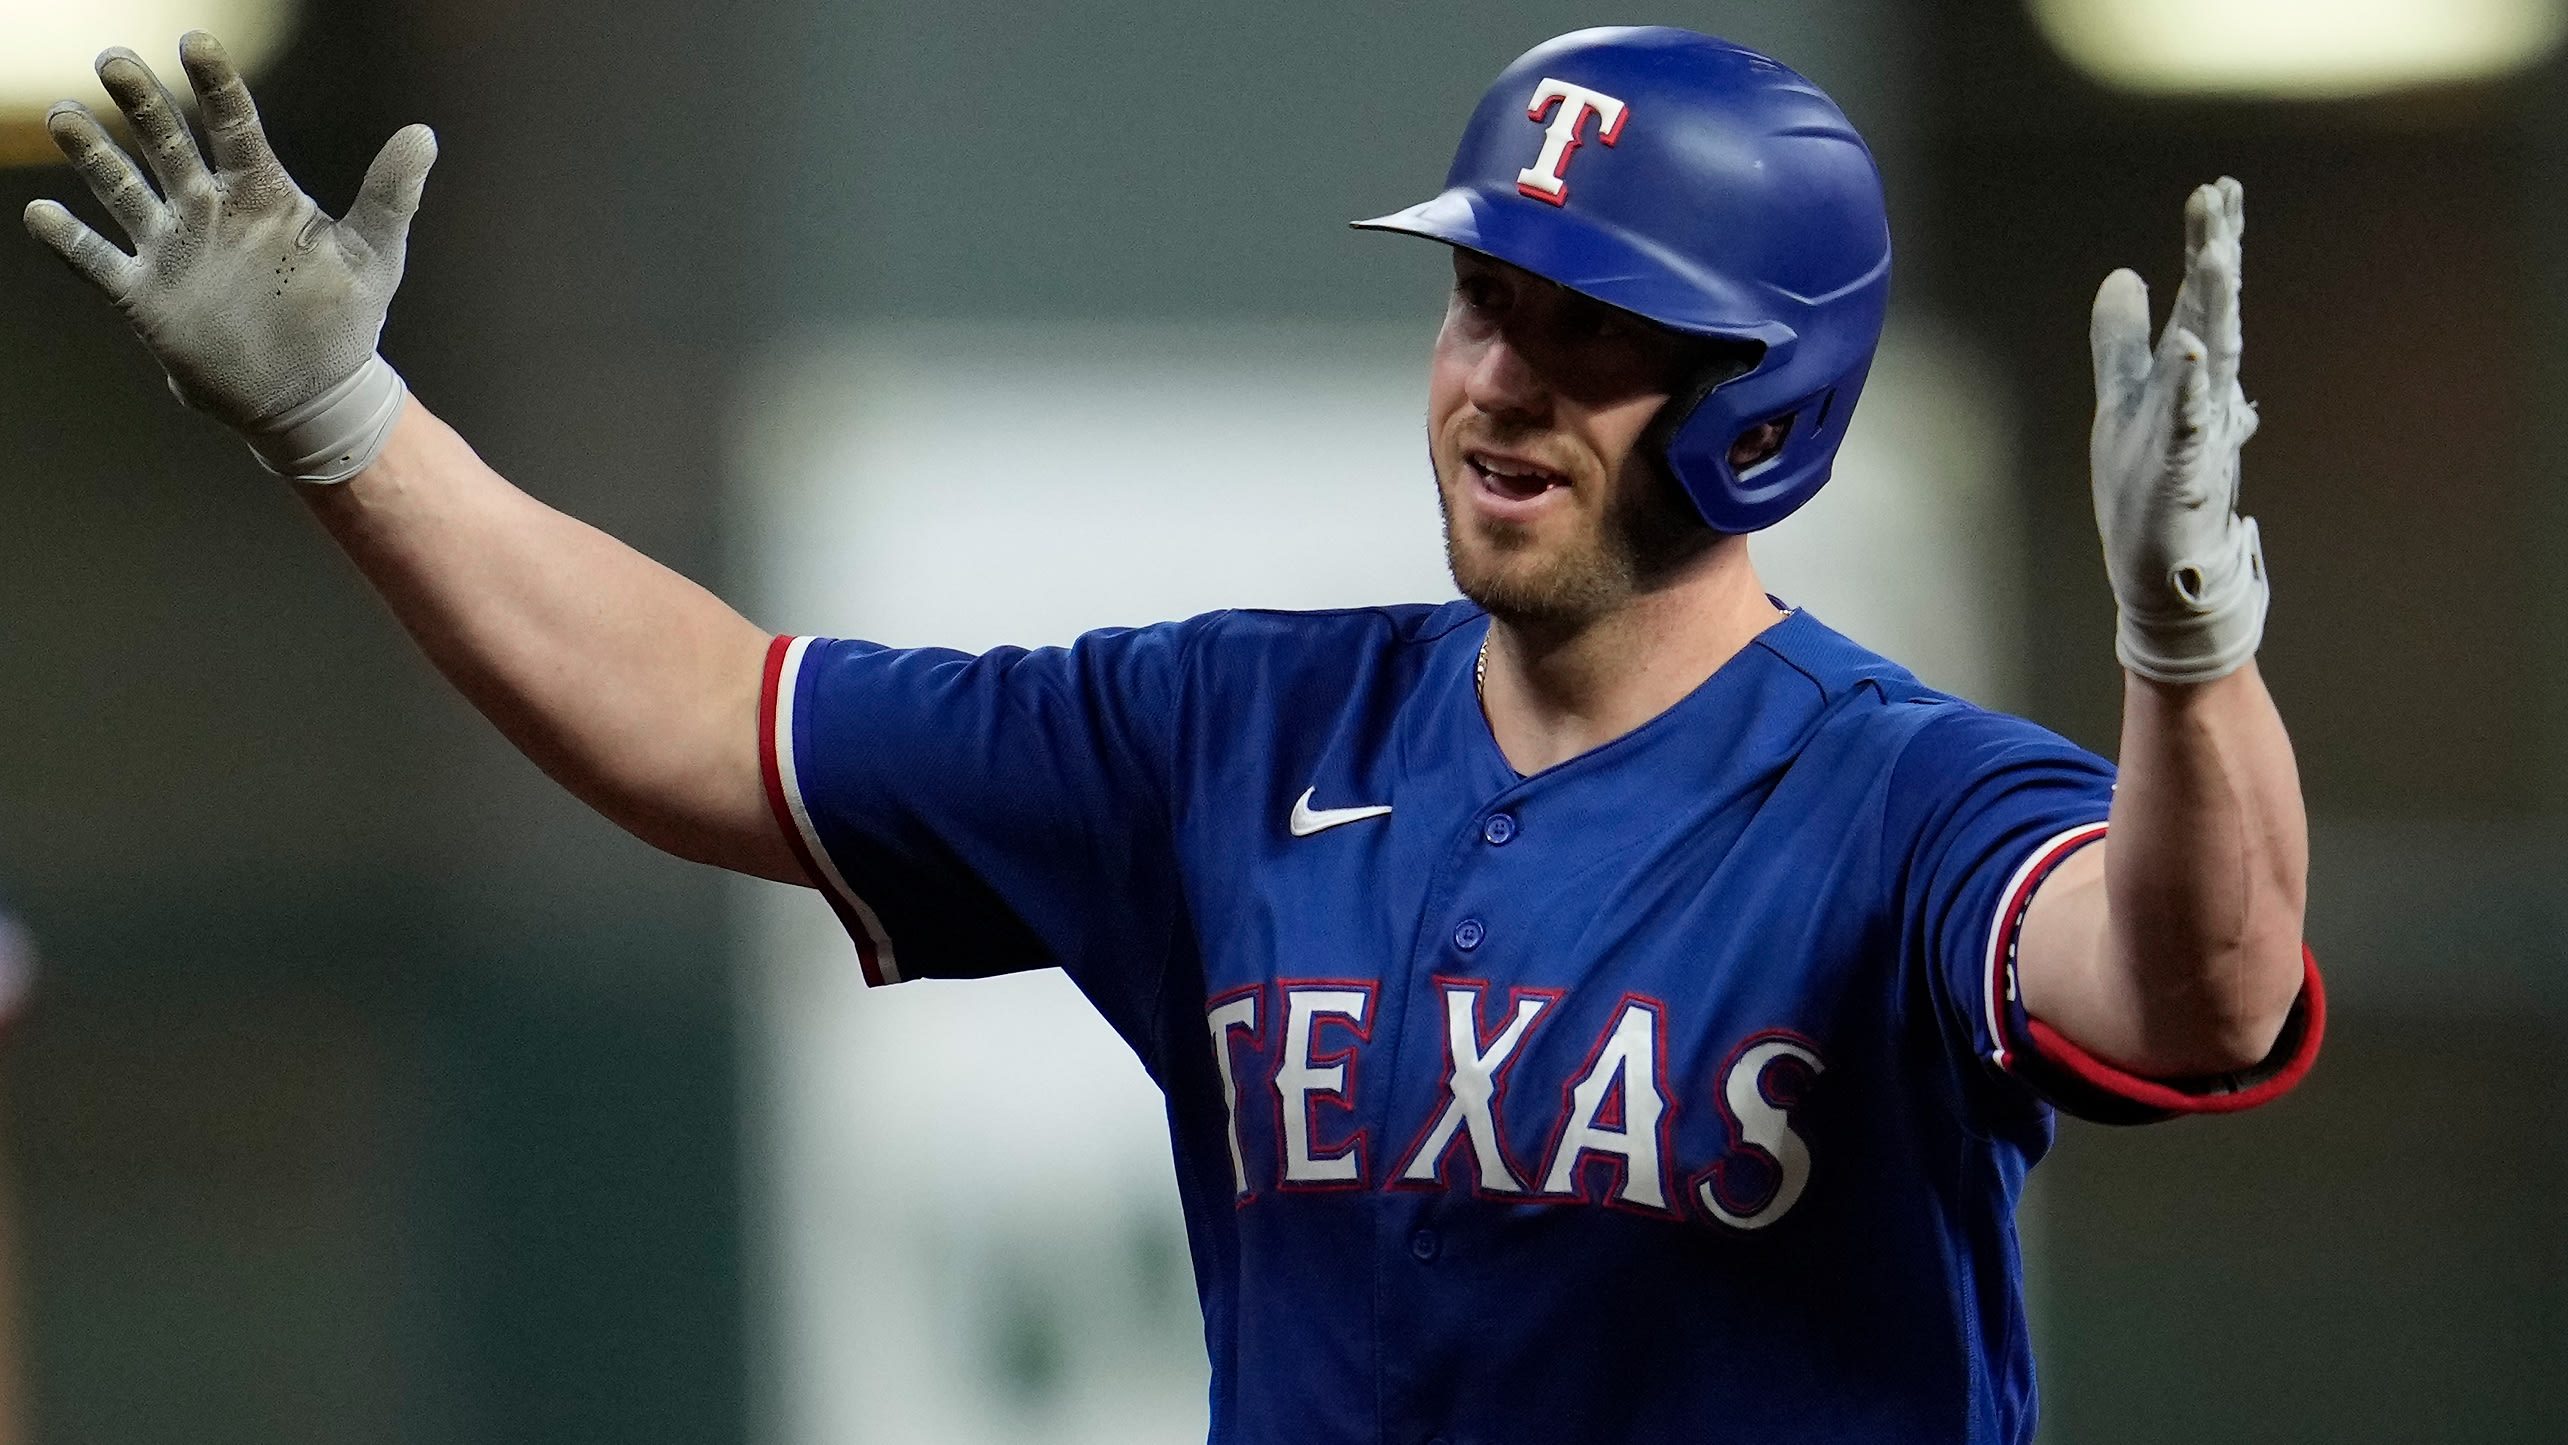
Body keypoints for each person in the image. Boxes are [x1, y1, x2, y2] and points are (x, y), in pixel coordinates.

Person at [25, 26, 2320, 1443]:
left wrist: (2188, 658)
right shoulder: (1238, 725)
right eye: (1479, 300)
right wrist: (350, 423)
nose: (1496, 380)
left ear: (1769, 411)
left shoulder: (1908, 797)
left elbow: (2195, 989)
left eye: (1591, 331)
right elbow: (717, 724)